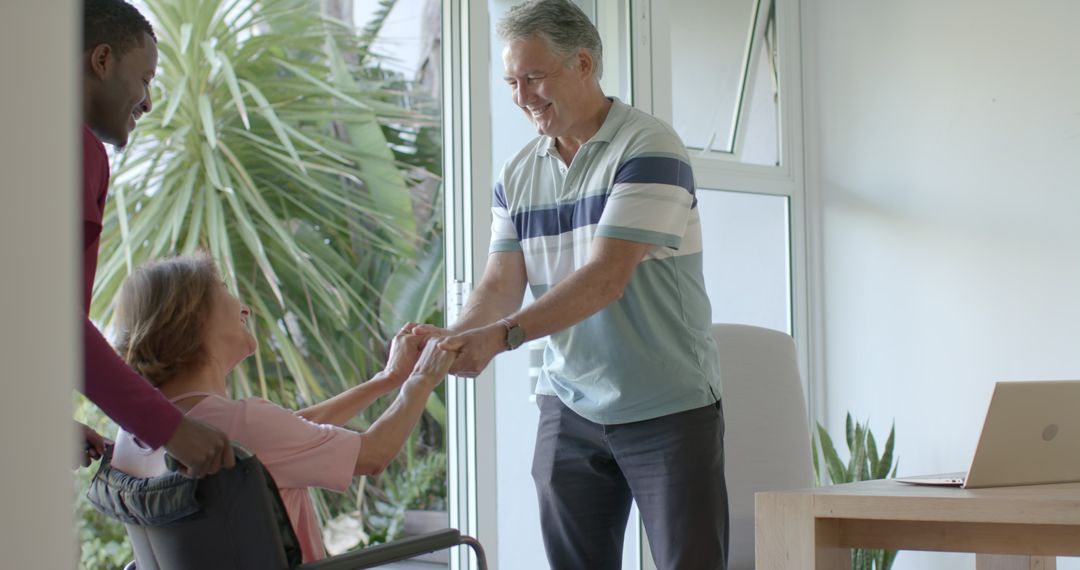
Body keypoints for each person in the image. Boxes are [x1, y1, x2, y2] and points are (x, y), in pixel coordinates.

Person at [419, 1, 729, 568]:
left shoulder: (649, 148)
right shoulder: (518, 174)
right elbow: (498, 285)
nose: (521, 97)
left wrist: (504, 336)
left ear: (583, 64)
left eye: (533, 77)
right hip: (568, 405)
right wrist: (454, 338)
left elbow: (605, 278)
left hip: (666, 406)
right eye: (512, 82)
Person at [109, 254, 455, 563]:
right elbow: (374, 455)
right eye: (226, 292)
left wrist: (388, 378)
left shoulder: (135, 433)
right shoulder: (240, 425)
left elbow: (288, 434)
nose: (244, 308)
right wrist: (424, 376)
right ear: (195, 318)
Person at [79, 0, 233, 476]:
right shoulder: (75, 148)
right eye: (145, 79)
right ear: (102, 61)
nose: (148, 102)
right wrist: (170, 428)